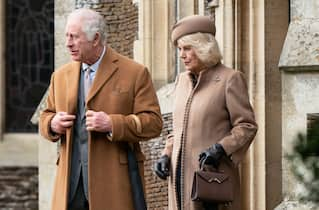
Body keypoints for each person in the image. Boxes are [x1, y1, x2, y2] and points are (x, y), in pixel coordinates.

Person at [39, 8, 163, 210]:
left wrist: (112, 123)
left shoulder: (135, 73)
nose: (68, 43)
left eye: (74, 37)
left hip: (114, 184)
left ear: (95, 39)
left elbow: (154, 123)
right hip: (69, 188)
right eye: (67, 36)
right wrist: (52, 124)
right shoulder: (60, 76)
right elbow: (46, 116)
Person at [154, 15, 257, 210]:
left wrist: (221, 148)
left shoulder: (230, 79)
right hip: (179, 179)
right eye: (179, 49)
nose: (182, 55)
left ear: (204, 46)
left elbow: (246, 126)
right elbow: (179, 129)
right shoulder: (182, 81)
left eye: (187, 48)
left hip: (212, 179)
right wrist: (166, 154)